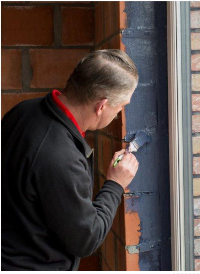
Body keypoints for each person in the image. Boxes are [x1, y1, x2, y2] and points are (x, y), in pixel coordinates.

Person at [1, 49, 139, 270]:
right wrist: (115, 184)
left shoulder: (23, 111)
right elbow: (86, 239)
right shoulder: (60, 157)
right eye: (120, 106)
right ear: (101, 105)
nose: (118, 114)